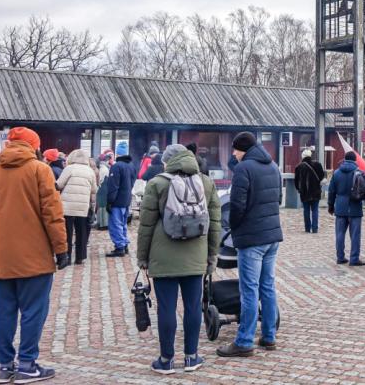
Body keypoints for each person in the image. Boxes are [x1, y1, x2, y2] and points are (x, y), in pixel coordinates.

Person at [0, 126, 69, 383]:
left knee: (4, 311)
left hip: (3, 256)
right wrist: (61, 248)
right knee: (33, 311)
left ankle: (5, 365)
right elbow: (52, 213)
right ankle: (27, 364)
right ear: (33, 146)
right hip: (35, 257)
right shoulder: (40, 170)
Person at [137, 144, 221, 374]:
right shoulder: (206, 182)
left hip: (163, 257)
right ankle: (192, 357)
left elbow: (145, 225)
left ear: (167, 161)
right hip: (196, 257)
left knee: (166, 308)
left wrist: (142, 257)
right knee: (193, 307)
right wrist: (212, 255)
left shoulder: (157, 183)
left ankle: (166, 360)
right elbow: (215, 224)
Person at [217, 132, 282, 358]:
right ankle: (269, 336)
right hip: (272, 236)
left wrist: (233, 229)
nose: (233, 154)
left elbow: (237, 205)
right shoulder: (273, 166)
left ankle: (244, 341)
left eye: (235, 150)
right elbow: (278, 200)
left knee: (249, 289)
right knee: (267, 287)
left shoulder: (244, 169)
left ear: (243, 149)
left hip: (252, 238)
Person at [55, 149, 98, 266]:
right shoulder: (90, 171)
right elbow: (94, 189)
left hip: (67, 205)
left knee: (67, 232)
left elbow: (59, 184)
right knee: (81, 232)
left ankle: (67, 257)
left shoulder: (69, 168)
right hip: (83, 206)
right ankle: (80, 257)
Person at [327, 151, 365, 267]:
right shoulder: (359, 173)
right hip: (355, 206)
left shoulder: (337, 173)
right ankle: (354, 259)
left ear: (344, 159)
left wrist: (330, 205)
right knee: (355, 235)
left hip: (340, 207)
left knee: (339, 233)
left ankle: (340, 257)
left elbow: (331, 191)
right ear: (355, 160)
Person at [105, 142, 134, 257]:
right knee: (123, 223)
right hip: (127, 199)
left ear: (117, 153)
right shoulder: (131, 166)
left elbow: (113, 186)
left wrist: (110, 201)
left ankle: (119, 247)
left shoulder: (116, 166)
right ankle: (124, 243)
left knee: (116, 224)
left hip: (117, 201)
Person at [294, 149, 324, 234]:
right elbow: (321, 176)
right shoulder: (318, 165)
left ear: (302, 156)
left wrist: (299, 189)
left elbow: (296, 181)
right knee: (315, 210)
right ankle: (315, 228)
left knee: (306, 210)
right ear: (310, 155)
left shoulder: (299, 167)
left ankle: (307, 228)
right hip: (316, 191)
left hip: (304, 192)